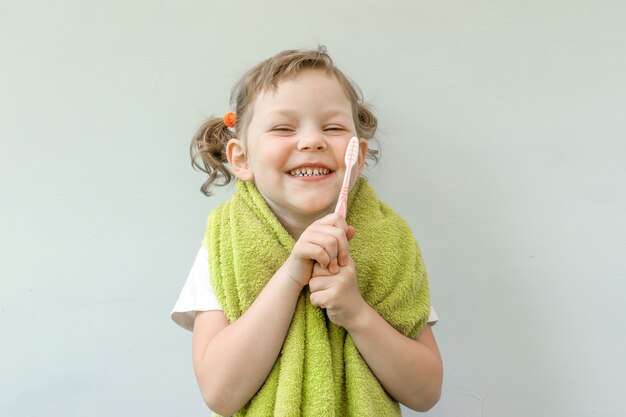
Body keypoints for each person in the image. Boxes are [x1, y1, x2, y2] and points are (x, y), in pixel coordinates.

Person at [171, 47, 443, 416]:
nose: (312, 141)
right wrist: (290, 277)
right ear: (241, 159)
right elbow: (220, 394)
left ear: (357, 157)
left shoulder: (387, 242)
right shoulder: (225, 244)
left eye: (332, 127)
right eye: (283, 128)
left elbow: (425, 392)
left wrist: (356, 313)